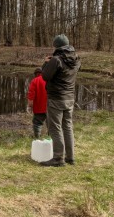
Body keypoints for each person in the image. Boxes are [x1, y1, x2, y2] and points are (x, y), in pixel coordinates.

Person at [40, 34, 81, 167]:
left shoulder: (56, 60)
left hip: (56, 98)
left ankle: (58, 158)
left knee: (55, 128)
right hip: (69, 98)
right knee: (68, 127)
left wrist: (45, 63)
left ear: (57, 46)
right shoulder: (76, 59)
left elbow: (45, 76)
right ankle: (71, 157)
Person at [27, 67, 47, 139]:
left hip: (39, 107)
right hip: (51, 107)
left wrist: (30, 106)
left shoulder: (35, 81)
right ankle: (51, 139)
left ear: (36, 74)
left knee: (37, 123)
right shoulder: (50, 79)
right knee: (52, 124)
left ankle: (37, 138)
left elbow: (31, 95)